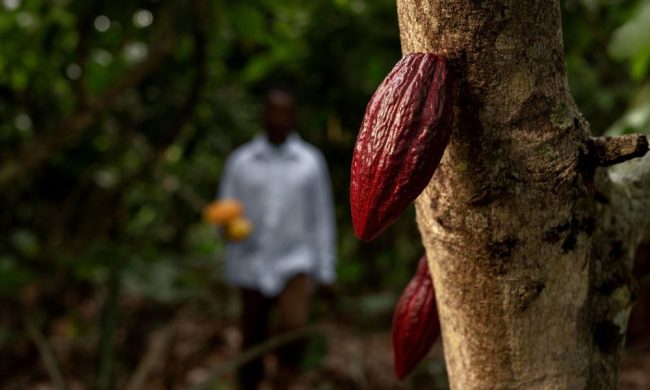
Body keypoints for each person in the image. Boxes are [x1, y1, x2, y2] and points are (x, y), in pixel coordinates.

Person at [217, 87, 336, 389]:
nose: (279, 119)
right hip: (251, 263)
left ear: (294, 117)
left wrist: (325, 270)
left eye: (286, 112)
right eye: (274, 111)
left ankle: (285, 381)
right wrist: (228, 229)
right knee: (252, 336)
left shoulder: (310, 162)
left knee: (294, 332)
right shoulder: (241, 162)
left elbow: (321, 218)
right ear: (264, 114)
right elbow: (225, 212)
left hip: (295, 262)